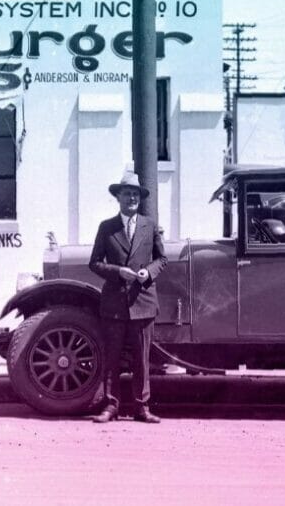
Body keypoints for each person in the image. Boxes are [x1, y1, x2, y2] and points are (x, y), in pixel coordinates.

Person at [88, 171, 167, 424]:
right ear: (118, 198)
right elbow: (95, 263)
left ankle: (141, 408)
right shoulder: (106, 227)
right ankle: (111, 406)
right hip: (114, 303)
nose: (131, 198)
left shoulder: (150, 225)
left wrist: (148, 272)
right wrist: (118, 272)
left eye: (135, 194)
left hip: (143, 302)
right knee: (111, 357)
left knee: (142, 360)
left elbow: (162, 258)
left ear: (139, 199)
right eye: (127, 194)